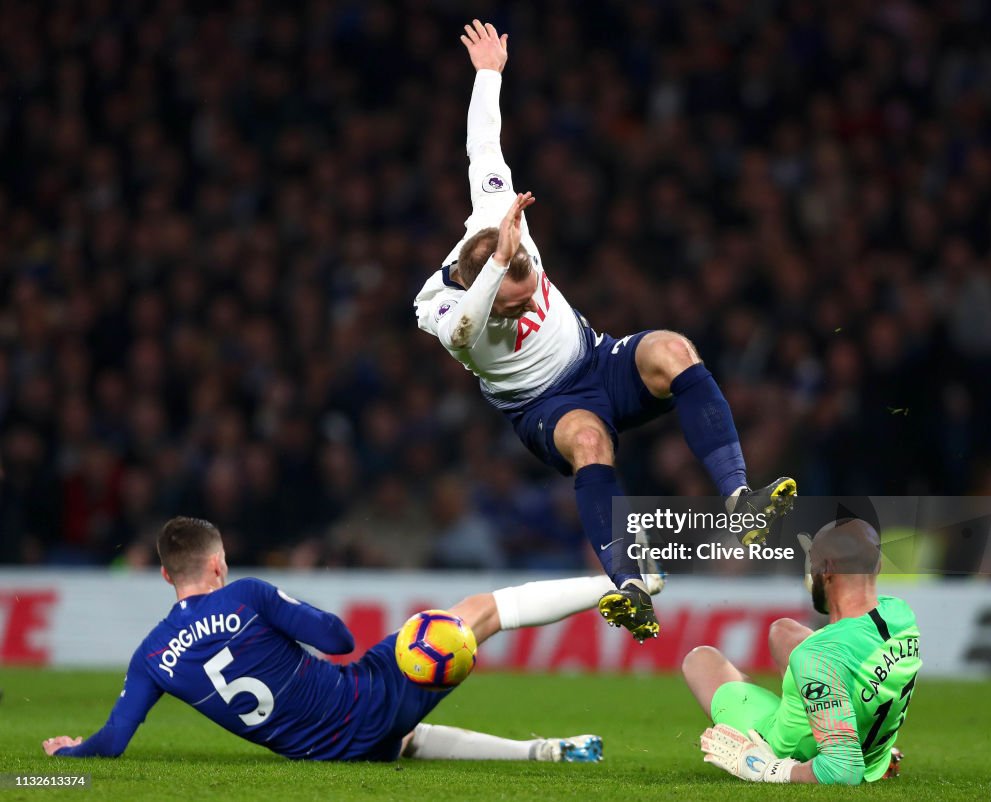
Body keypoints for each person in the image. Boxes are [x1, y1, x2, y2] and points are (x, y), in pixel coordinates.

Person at [414, 20, 796, 644]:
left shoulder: (499, 218)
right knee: (590, 442)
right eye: (512, 300)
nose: (527, 294)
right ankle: (628, 583)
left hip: (596, 358)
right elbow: (460, 333)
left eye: (527, 279)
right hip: (542, 405)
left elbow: (483, 143)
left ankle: (739, 500)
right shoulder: (438, 303)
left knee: (673, 349)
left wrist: (488, 72)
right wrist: (491, 287)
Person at [41, 516, 634, 763]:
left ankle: (544, 752)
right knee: (475, 612)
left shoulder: (151, 657)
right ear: (218, 564)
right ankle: (619, 582)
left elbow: (113, 741)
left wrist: (68, 755)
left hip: (329, 749)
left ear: (166, 575)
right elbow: (341, 638)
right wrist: (286, 612)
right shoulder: (247, 595)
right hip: (364, 700)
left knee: (409, 739)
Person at [685, 519, 919, 784]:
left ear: (826, 569)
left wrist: (768, 769)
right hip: (874, 752)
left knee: (700, 660)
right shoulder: (900, 614)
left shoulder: (819, 655)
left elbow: (843, 771)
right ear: (878, 565)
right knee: (782, 631)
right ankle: (877, 752)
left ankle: (781, 741)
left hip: (801, 751)